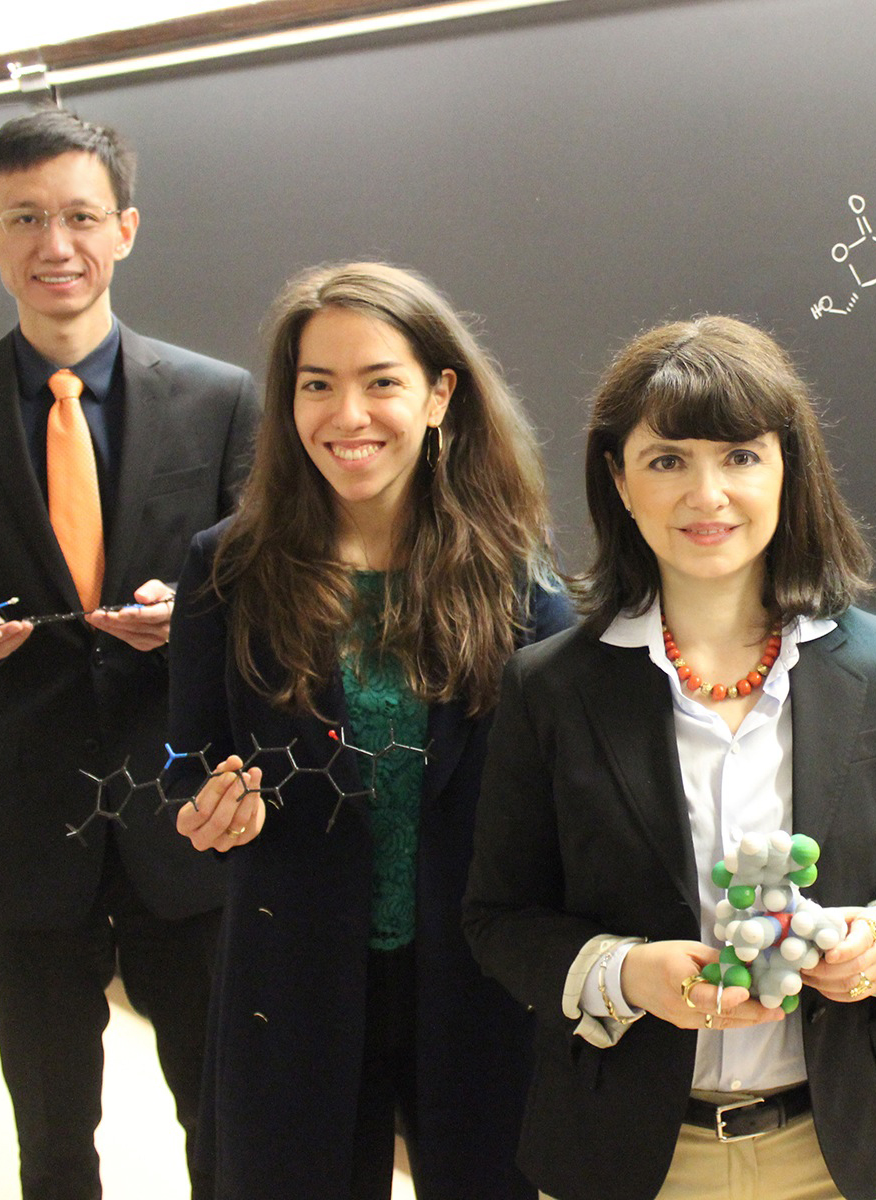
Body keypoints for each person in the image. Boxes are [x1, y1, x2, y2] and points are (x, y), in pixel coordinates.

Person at [462, 316, 876, 1200]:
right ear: (620, 482)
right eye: (668, 460)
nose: (708, 494)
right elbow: (499, 919)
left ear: (788, 471)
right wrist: (627, 975)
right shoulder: (549, 688)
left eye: (740, 455)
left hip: (847, 1151)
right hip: (630, 1157)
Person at [0, 106, 259, 1200]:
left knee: (220, 1113)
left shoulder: (222, 398)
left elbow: (261, 594)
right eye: (27, 217)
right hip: (23, 830)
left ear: (126, 229)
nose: (58, 244)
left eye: (82, 216)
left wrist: (189, 611)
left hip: (185, 826)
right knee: (51, 1135)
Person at [167, 261, 571, 1200]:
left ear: (439, 396)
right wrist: (201, 808)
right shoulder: (226, 568)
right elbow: (186, 756)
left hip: (473, 984)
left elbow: (555, 792)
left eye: (381, 381)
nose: (348, 415)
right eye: (318, 386)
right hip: (291, 972)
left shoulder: (513, 579)